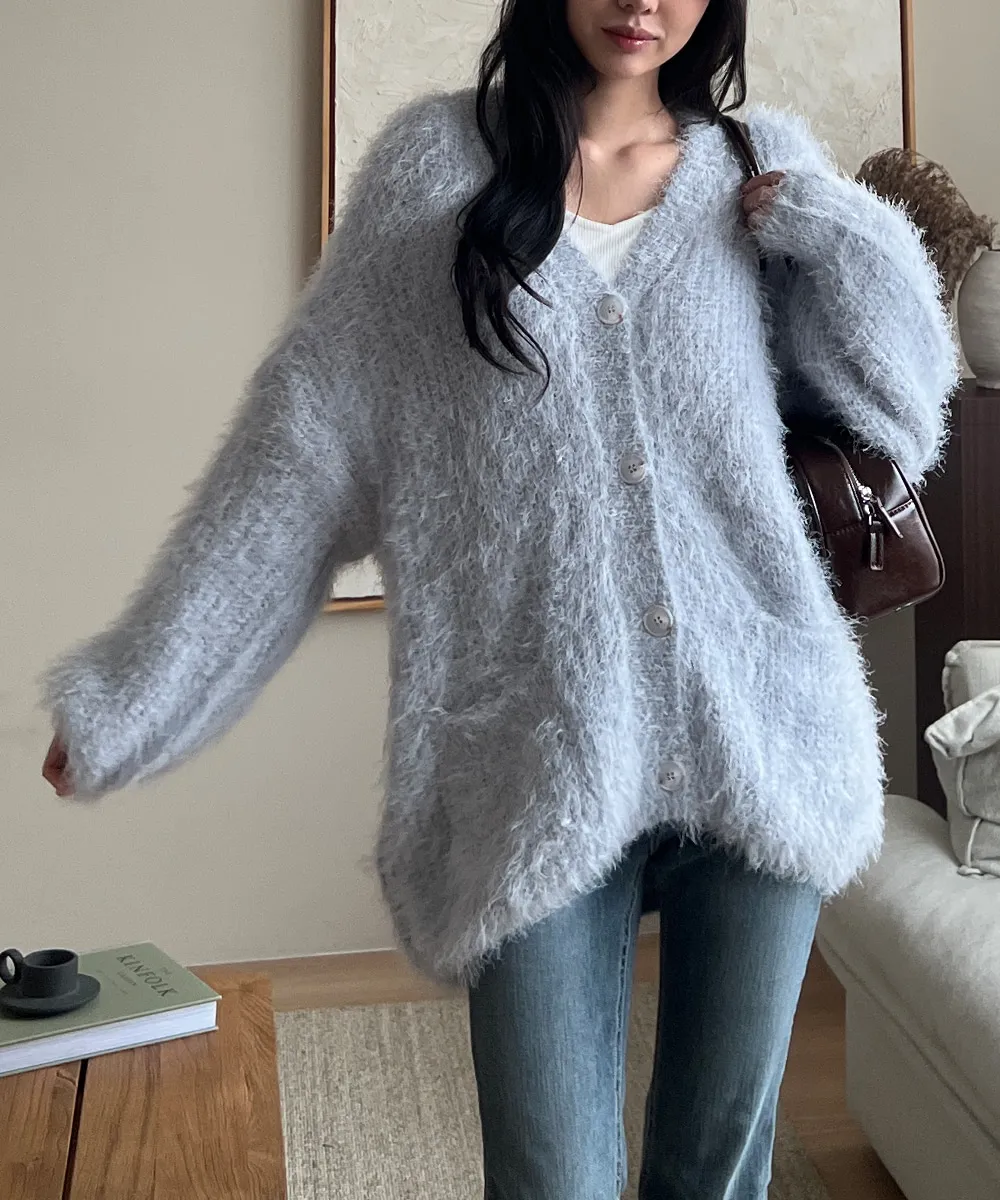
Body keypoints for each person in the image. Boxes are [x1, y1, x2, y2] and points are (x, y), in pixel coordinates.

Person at [42, 0, 957, 1195]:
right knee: (547, 1173)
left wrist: (839, 228)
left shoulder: (757, 162)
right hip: (528, 755)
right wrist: (133, 694)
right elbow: (302, 449)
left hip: (764, 728)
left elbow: (900, 415)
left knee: (715, 1170)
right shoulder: (432, 172)